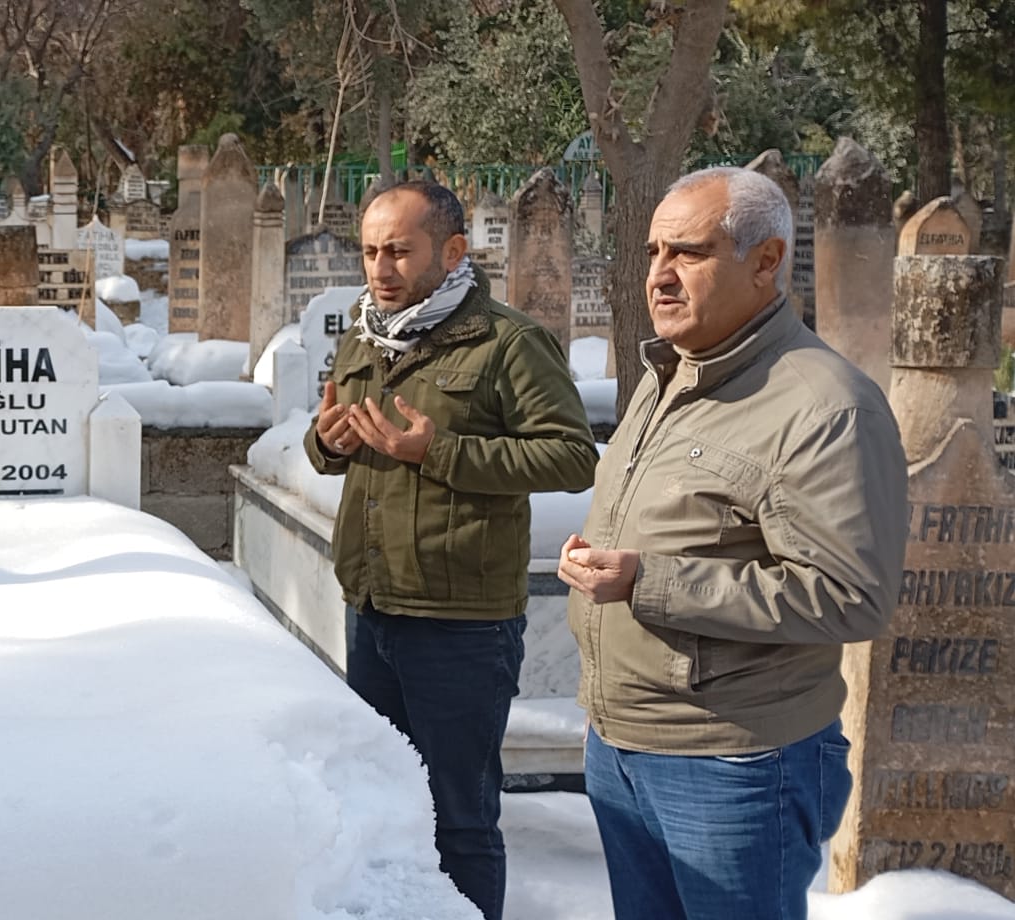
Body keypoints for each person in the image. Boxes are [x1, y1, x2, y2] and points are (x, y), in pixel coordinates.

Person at [557, 166, 907, 920]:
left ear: (766, 261)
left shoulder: (825, 408)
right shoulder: (666, 374)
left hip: (736, 763)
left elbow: (853, 597)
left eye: (687, 253)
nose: (660, 275)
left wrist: (647, 580)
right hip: (622, 746)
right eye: (654, 253)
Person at [302, 180, 597, 920]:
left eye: (400, 250)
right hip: (373, 607)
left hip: (460, 624)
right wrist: (324, 444)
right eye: (371, 251)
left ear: (453, 250)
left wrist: (440, 452)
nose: (381, 268)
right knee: (382, 804)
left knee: (459, 818)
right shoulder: (364, 333)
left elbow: (570, 457)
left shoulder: (507, 342)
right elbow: (337, 441)